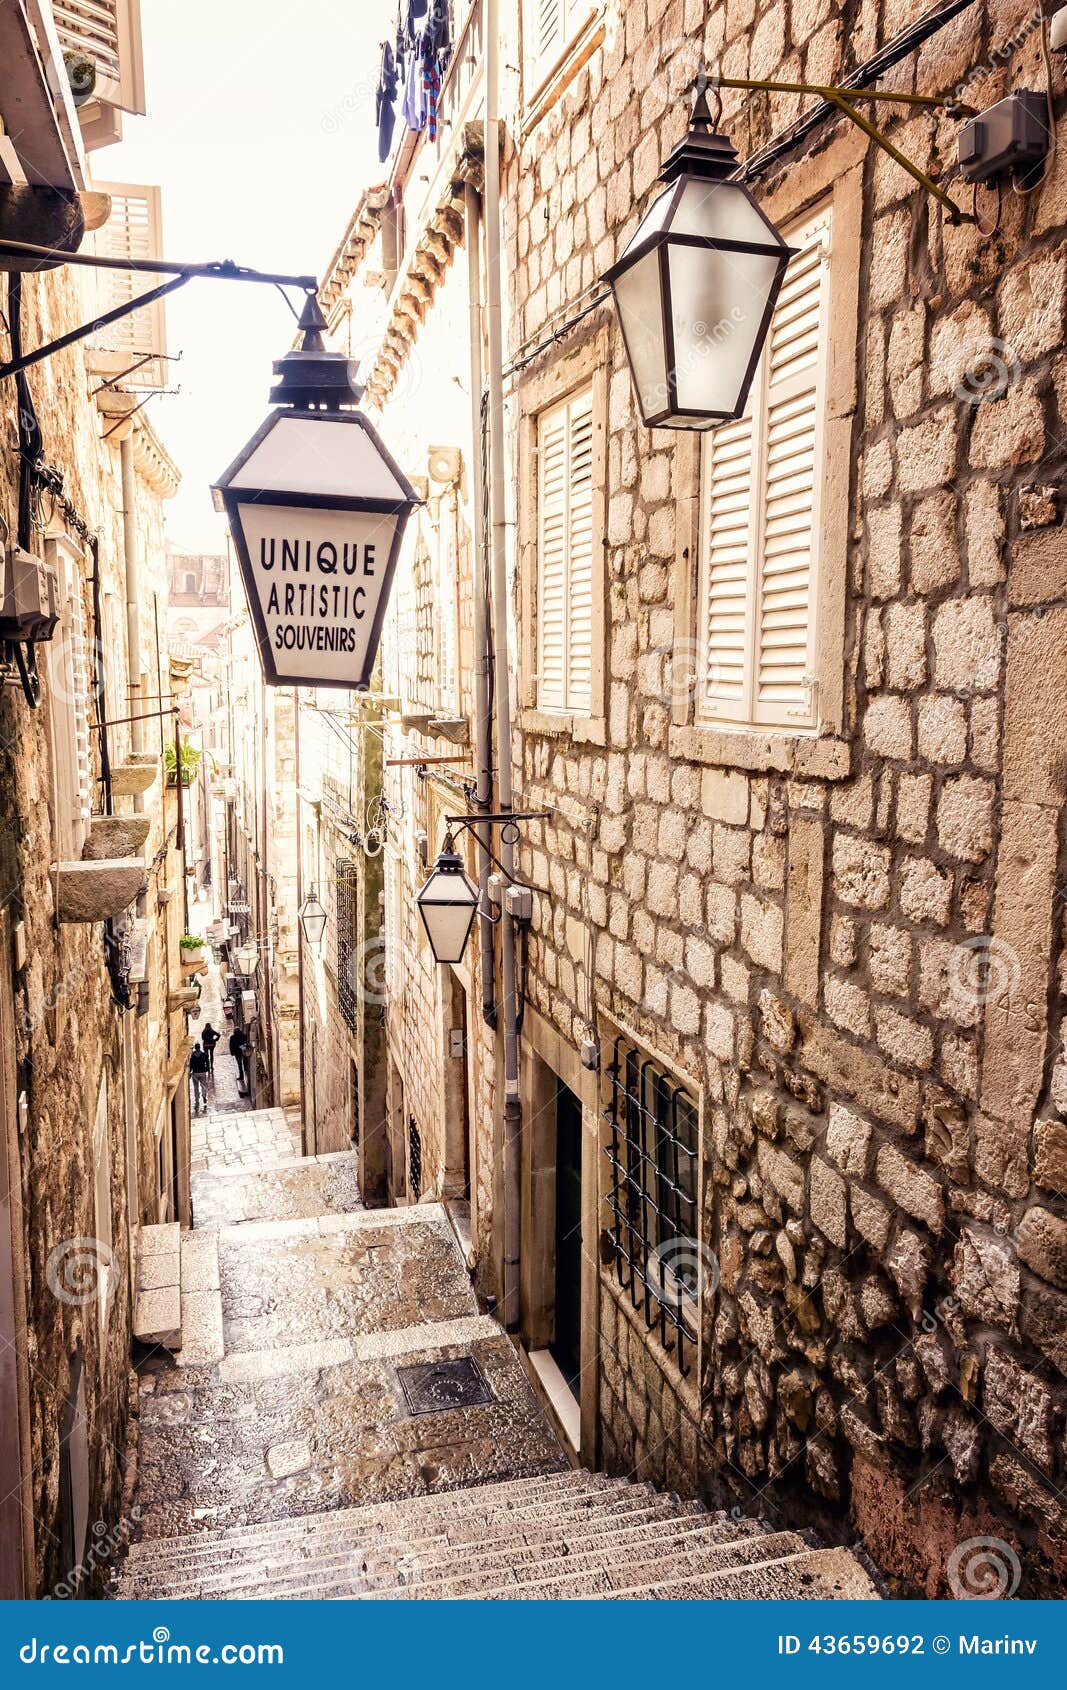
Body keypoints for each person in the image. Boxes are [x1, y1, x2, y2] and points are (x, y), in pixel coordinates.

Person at [229, 1026, 250, 1097]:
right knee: (244, 1061)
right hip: (242, 1050)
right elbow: (245, 1041)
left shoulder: (232, 1037)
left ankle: (241, 1075)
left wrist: (232, 1052)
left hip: (237, 1052)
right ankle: (246, 1071)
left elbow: (231, 1046)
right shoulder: (243, 1035)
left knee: (239, 1064)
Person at [189, 1043, 210, 1115]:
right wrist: (208, 1069)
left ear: (195, 1048)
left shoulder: (193, 1056)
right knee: (203, 1085)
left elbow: (191, 1065)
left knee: (196, 1087)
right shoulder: (204, 1055)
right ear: (200, 1047)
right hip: (202, 1072)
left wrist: (189, 1072)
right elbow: (207, 1062)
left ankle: (197, 1098)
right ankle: (204, 1096)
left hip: (195, 1073)